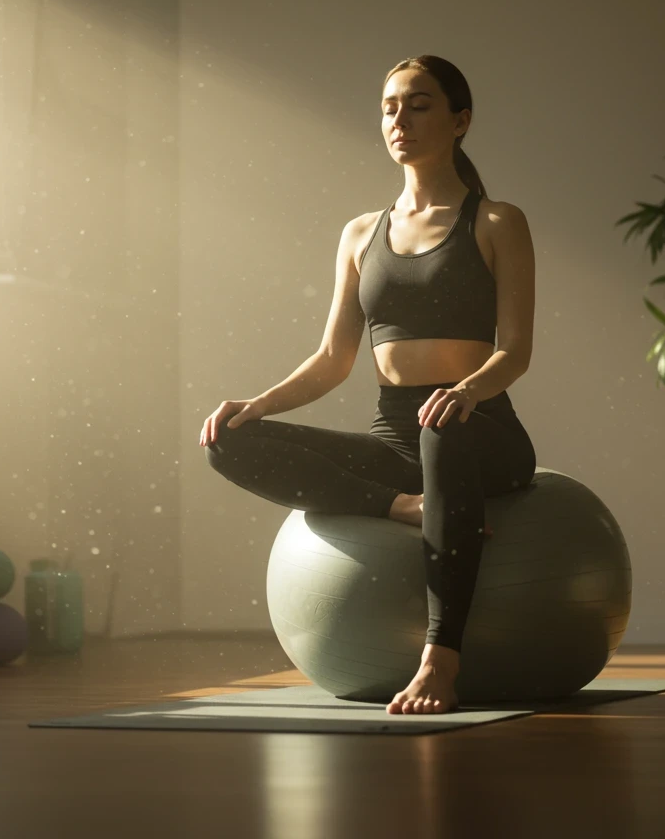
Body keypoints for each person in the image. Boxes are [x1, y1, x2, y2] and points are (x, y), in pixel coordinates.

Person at [200, 55, 537, 715]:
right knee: (228, 443)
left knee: (440, 429)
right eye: (388, 106)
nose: (399, 119)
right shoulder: (361, 234)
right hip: (398, 435)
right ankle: (400, 506)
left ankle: (440, 659)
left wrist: (466, 393)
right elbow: (333, 358)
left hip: (481, 427)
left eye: (418, 104)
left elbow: (515, 352)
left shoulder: (497, 222)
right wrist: (257, 405)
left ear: (459, 119)